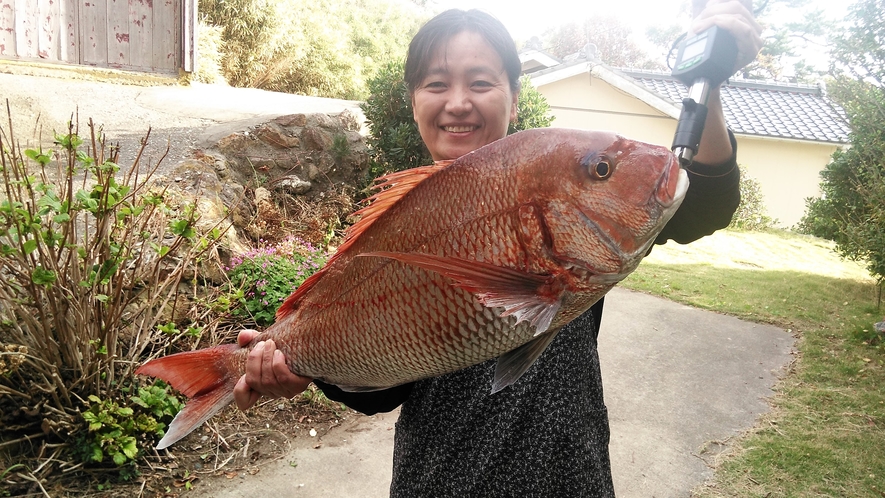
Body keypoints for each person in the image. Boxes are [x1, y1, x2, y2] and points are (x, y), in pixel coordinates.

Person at [234, 3, 763, 496]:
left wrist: (709, 84)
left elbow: (707, 201)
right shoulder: (398, 224)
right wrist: (298, 364)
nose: (459, 102)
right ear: (414, 102)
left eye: (481, 82)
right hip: (437, 482)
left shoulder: (559, 193)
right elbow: (380, 390)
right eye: (437, 84)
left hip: (570, 480)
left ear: (513, 95)